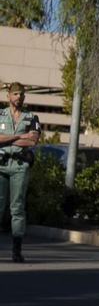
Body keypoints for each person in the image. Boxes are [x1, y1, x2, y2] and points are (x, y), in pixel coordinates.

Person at [0, 83, 41, 263]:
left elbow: (32, 141)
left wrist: (6, 139)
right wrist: (19, 136)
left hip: (19, 165)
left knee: (17, 208)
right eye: (15, 94)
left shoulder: (31, 117)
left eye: (21, 94)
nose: (18, 97)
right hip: (1, 164)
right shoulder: (0, 115)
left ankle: (17, 250)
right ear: (8, 95)